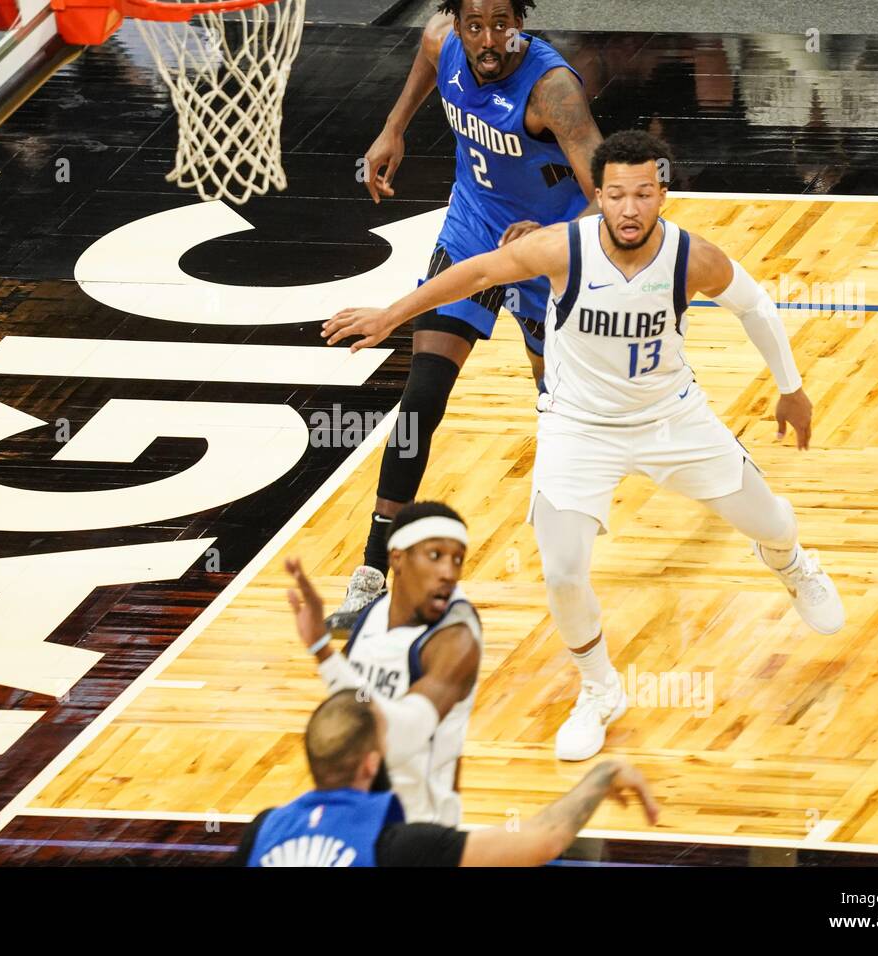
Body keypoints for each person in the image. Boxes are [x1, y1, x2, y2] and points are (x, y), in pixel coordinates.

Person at [323, 129, 846, 762]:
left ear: (663, 194)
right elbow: (476, 272)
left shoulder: (690, 257)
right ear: (597, 194)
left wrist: (790, 388)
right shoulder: (563, 248)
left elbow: (757, 308)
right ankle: (599, 690)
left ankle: (792, 567)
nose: (630, 209)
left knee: (774, 521)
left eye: (644, 194)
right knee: (565, 574)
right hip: (579, 429)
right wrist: (391, 315)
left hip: (671, 419)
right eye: (617, 195)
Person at [327, 0, 604, 633]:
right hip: (474, 230)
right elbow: (427, 62)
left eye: (500, 25)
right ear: (455, 21)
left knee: (557, 410)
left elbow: (608, 197)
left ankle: (576, 553)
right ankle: (373, 571)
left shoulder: (552, 90)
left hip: (544, 247)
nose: (486, 39)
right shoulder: (439, 39)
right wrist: (395, 126)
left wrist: (552, 238)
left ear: (520, 23)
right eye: (472, 24)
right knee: (421, 397)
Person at [233, 689, 659, 866]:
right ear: (369, 764)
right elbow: (542, 841)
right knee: (581, 852)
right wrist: (604, 775)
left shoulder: (262, 829)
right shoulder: (401, 847)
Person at [288, 501, 480, 825]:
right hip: (357, 818)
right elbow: (349, 709)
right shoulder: (372, 616)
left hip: (420, 832)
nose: (448, 573)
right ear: (397, 558)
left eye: (457, 560)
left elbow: (405, 735)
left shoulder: (456, 638)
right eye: (435, 556)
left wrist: (324, 652)